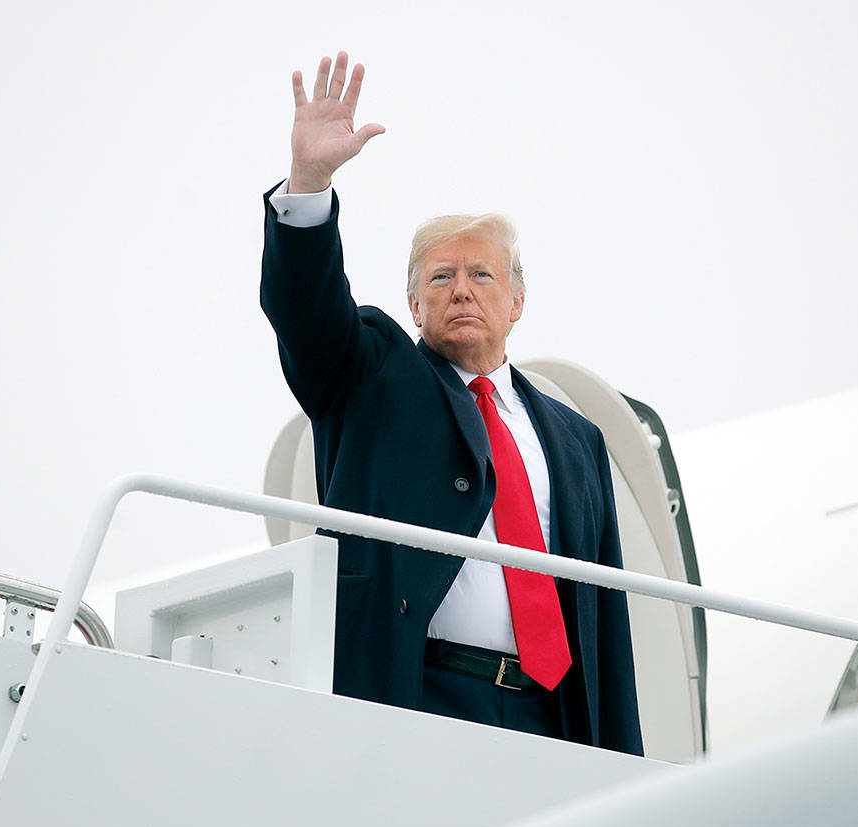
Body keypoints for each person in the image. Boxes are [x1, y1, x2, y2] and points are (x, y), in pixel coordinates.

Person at [260, 52, 642, 755]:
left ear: (518, 301)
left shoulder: (577, 439)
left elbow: (603, 618)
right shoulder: (374, 374)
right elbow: (307, 314)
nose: (461, 289)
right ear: (413, 303)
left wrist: (620, 762)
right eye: (440, 277)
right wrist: (309, 184)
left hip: (552, 719)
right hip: (418, 701)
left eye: (480, 274)